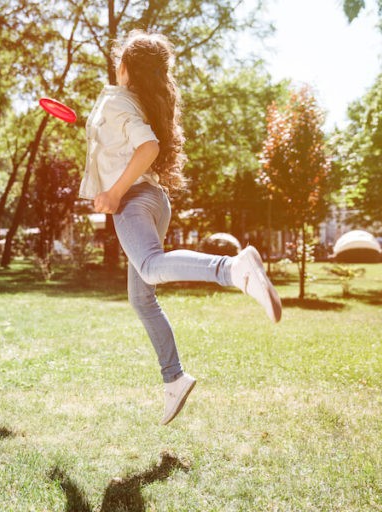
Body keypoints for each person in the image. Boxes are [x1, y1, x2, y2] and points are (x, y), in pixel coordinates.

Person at [80, 31, 282, 425]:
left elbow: (148, 147)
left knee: (152, 265)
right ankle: (174, 378)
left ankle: (232, 269)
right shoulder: (137, 101)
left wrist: (115, 192)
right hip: (155, 201)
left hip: (135, 200)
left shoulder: (117, 99)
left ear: (124, 69)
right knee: (142, 298)